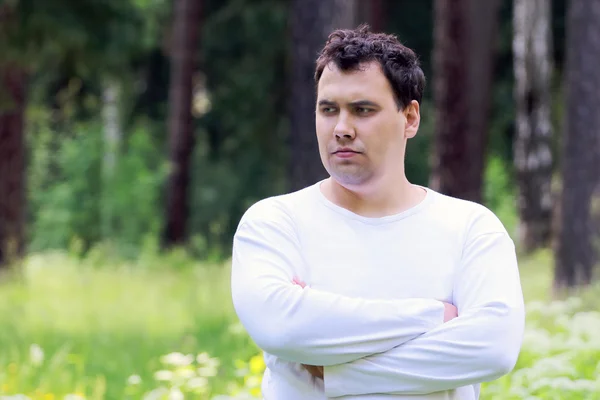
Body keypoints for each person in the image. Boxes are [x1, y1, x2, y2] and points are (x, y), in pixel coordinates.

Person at [230, 24, 525, 400]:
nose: (341, 128)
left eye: (362, 110)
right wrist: (433, 318)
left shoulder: (470, 228)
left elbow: (494, 347)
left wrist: (335, 375)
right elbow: (281, 328)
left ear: (410, 118)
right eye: (328, 109)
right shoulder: (274, 222)